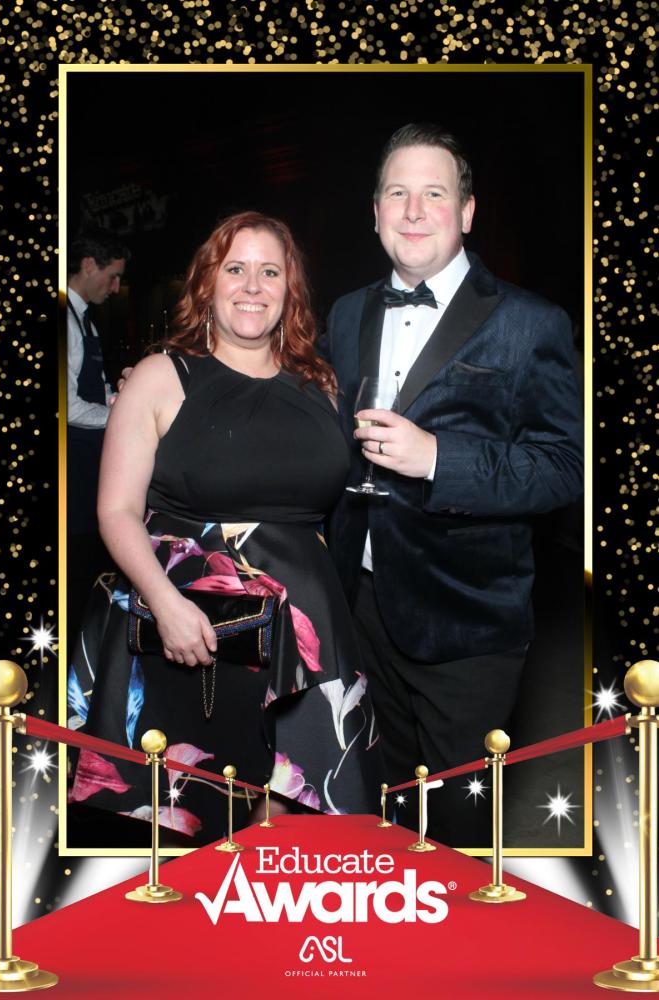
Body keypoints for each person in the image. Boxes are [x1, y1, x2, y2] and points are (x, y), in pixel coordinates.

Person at [67, 211, 381, 845]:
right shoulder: (160, 375)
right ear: (207, 283)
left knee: (296, 825)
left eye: (270, 272)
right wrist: (165, 604)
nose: (252, 286)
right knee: (188, 816)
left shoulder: (319, 382)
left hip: (305, 630)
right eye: (235, 269)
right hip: (188, 624)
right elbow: (116, 510)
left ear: (290, 288)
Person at [324, 123, 584, 846]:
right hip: (359, 605)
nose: (413, 211)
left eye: (433, 193)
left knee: (457, 823)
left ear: (466, 212)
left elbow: (563, 467)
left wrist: (439, 458)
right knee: (382, 802)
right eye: (396, 193)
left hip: (467, 618)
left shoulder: (531, 322)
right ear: (375, 212)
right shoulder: (346, 313)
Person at [67, 230, 130, 660]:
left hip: (90, 467)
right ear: (89, 265)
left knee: (88, 568)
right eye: (113, 276)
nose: (116, 287)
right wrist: (120, 416)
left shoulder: (85, 319)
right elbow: (67, 405)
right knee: (74, 571)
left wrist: (121, 397)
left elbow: (94, 390)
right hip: (72, 469)